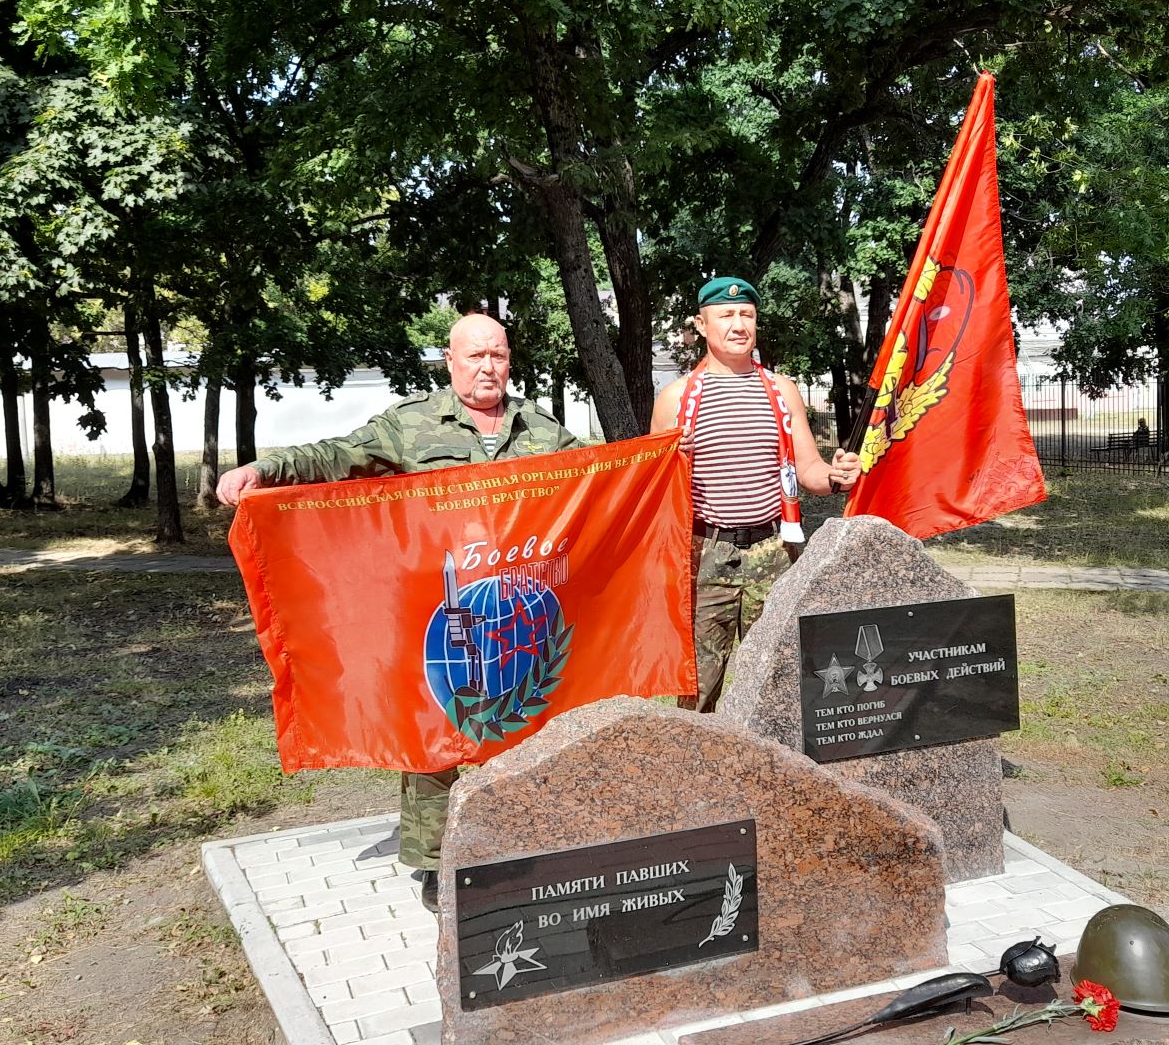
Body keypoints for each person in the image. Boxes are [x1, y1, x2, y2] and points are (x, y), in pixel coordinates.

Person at [216, 314, 579, 910]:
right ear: (450, 360)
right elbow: (341, 455)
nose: (488, 367)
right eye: (475, 356)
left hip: (518, 609)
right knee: (439, 724)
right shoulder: (411, 426)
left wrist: (671, 458)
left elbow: (608, 476)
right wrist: (266, 469)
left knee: (518, 724)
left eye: (498, 356)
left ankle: (515, 844)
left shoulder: (539, 427)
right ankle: (438, 862)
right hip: (439, 606)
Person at [650, 277, 862, 712]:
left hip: (773, 549)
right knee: (698, 685)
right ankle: (698, 769)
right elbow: (655, 492)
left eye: (746, 314)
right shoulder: (675, 399)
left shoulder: (781, 391)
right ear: (702, 323)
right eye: (726, 315)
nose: (738, 324)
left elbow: (808, 470)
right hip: (704, 554)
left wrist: (839, 476)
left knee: (779, 675)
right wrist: (671, 460)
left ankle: (777, 768)